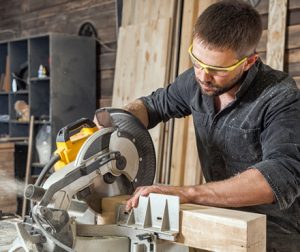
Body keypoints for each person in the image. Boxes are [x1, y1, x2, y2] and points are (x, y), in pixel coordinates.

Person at [95, 0, 300, 251]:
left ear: (248, 62)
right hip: (218, 220)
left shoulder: (279, 96)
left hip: (272, 233)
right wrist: (115, 122)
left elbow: (278, 177)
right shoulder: (196, 82)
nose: (203, 75)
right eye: (197, 61)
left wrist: (187, 193)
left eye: (216, 69)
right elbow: (152, 106)